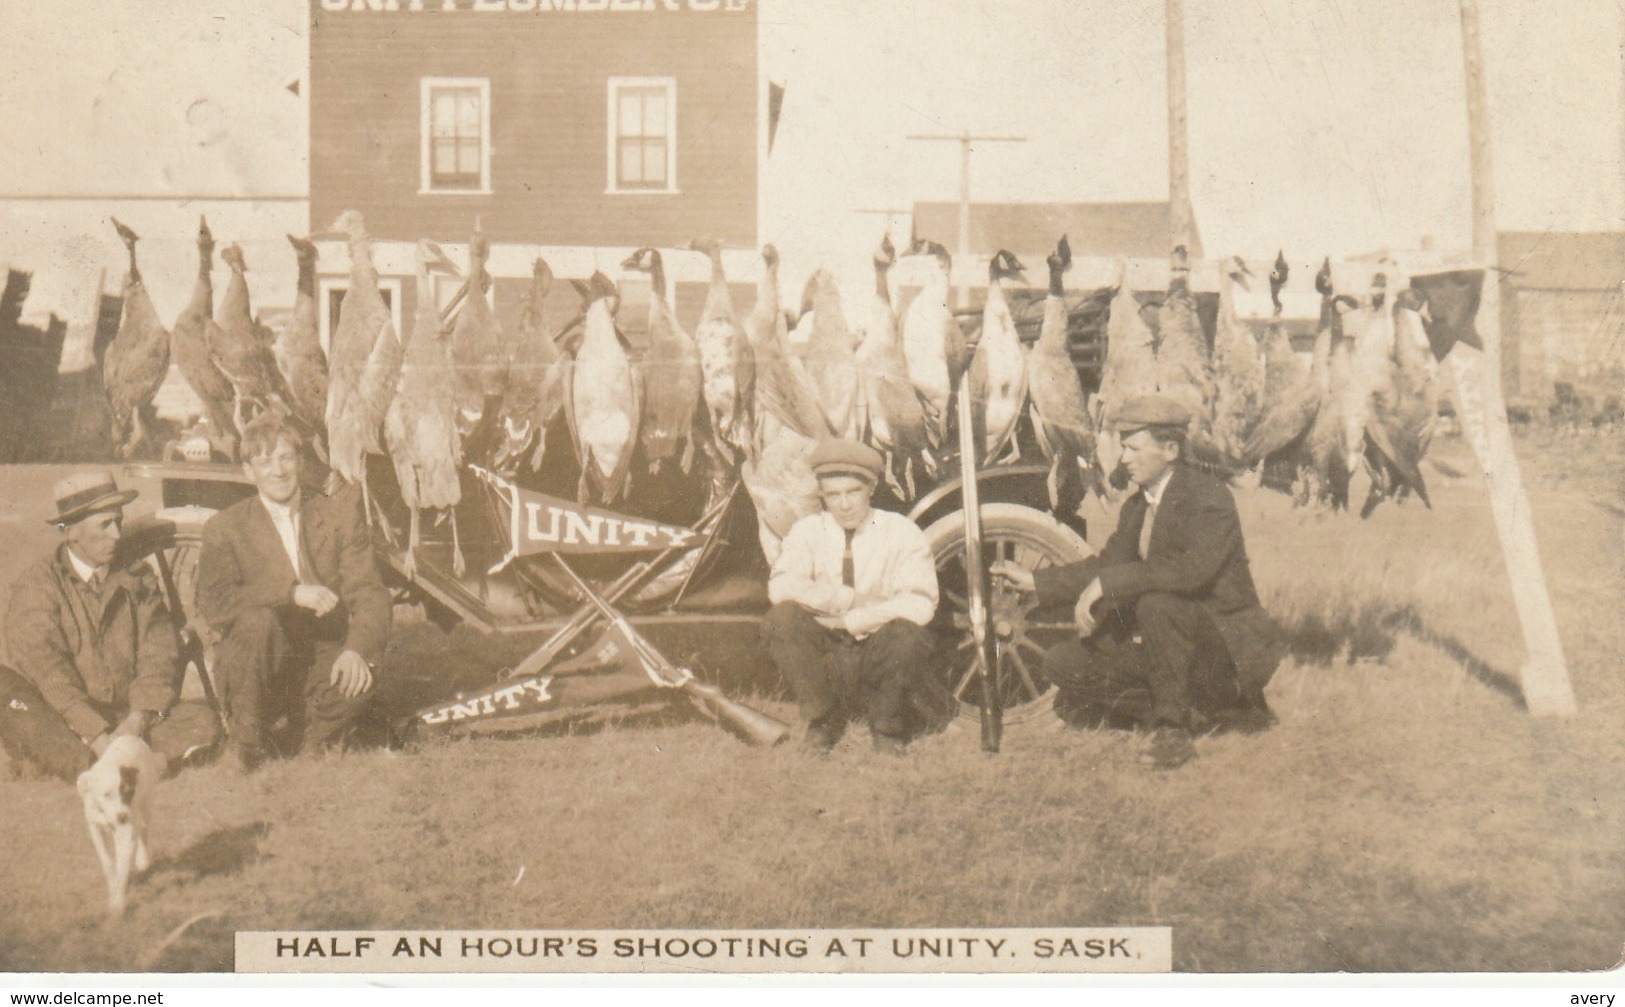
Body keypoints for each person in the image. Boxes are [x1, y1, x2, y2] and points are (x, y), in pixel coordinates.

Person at [993, 395, 1282, 770]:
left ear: (1170, 450)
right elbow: (1106, 565)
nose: (1124, 458)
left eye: (1132, 448)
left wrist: (1110, 584)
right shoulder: (1138, 506)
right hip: (1174, 646)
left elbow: (1189, 573)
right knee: (1063, 663)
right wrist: (1035, 581)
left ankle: (1174, 733)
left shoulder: (1208, 497)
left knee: (1156, 603)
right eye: (1122, 448)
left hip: (1226, 650)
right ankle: (1199, 711)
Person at [198, 413, 389, 770]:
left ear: (300, 463)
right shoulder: (225, 528)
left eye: (286, 458)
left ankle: (307, 748)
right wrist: (290, 593)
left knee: (359, 682)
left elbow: (370, 593)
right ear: (248, 472)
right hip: (256, 663)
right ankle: (247, 747)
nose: (278, 471)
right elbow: (215, 603)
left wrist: (356, 650)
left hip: (318, 652)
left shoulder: (337, 516)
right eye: (264, 461)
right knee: (259, 624)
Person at [0, 471, 219, 782]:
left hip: (125, 716)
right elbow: (47, 671)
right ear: (72, 531)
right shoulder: (37, 585)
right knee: (9, 697)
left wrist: (136, 720)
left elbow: (159, 655)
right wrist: (97, 734)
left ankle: (84, 766)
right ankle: (116, 764)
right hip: (67, 718)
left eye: (118, 521)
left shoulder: (138, 576)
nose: (117, 534)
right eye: (104, 525)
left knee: (202, 720)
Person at [761, 439, 951, 753]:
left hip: (877, 652)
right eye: (833, 495)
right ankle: (823, 721)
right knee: (781, 620)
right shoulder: (807, 531)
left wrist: (854, 619)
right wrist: (849, 599)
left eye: (853, 492)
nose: (844, 504)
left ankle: (887, 726)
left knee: (908, 636)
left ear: (871, 489)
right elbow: (780, 588)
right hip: (827, 656)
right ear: (822, 495)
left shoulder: (900, 531)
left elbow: (919, 604)